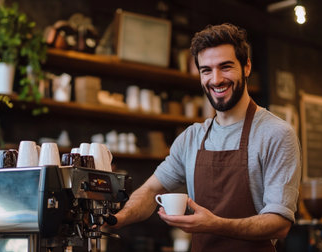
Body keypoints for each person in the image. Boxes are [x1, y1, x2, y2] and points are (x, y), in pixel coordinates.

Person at [113, 23, 301, 252]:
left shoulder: (276, 134)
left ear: (247, 66)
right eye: (206, 70)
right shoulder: (191, 138)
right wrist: (117, 219)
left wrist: (215, 225)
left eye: (226, 67)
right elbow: (151, 191)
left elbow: (279, 224)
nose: (216, 79)